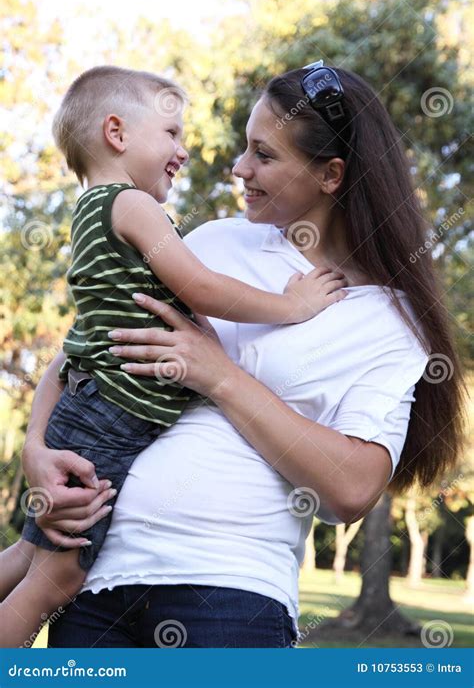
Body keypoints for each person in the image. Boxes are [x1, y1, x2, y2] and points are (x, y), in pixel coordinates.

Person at [9, 64, 465, 648]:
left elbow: (352, 490)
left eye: (263, 155)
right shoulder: (211, 243)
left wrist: (220, 375)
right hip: (97, 581)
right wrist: (37, 451)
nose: (238, 168)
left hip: (229, 594)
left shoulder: (388, 319)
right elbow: (90, 349)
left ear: (330, 175)